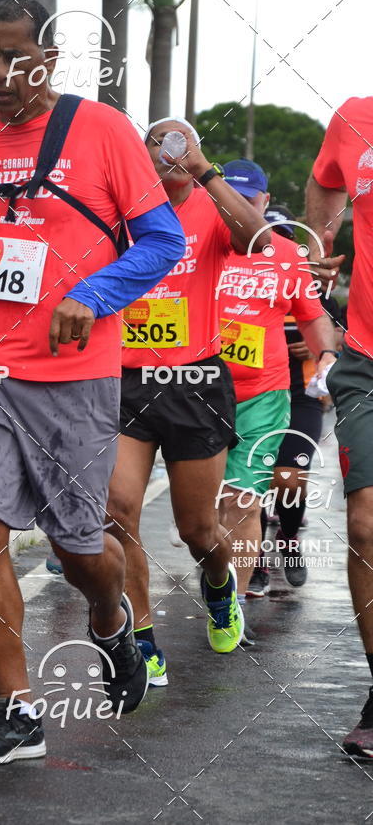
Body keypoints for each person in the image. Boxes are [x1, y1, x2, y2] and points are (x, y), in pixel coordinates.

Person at [0, 0, 186, 765]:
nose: (1, 75)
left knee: (80, 551)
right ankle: (18, 712)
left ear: (52, 55)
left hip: (75, 375)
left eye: (17, 57)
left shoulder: (101, 131)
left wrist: (91, 293)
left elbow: (161, 240)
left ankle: (111, 617)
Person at [105, 118, 270, 686]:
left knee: (198, 529)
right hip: (124, 381)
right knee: (118, 510)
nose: (169, 151)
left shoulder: (209, 204)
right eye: (157, 142)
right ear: (140, 154)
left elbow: (261, 239)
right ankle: (142, 641)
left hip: (195, 383)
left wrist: (205, 170)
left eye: (181, 142)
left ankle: (220, 587)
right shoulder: (119, 210)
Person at [217, 161, 338, 632]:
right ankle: (220, 578)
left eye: (251, 200)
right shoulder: (199, 243)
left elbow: (316, 315)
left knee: (261, 491)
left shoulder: (289, 256)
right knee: (202, 513)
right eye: (234, 199)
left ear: (265, 203)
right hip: (200, 389)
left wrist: (324, 353)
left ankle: (239, 596)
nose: (244, 209)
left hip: (276, 389)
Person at [305, 95, 373, 757]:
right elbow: (325, 179)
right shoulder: (355, 117)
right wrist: (320, 242)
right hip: (367, 362)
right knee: (364, 524)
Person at [253, 205, 343, 592]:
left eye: (284, 242)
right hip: (254, 392)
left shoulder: (317, 292)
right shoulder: (245, 282)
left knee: (290, 478)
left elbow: (340, 337)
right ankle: (254, 558)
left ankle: (289, 542)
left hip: (302, 394)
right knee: (254, 479)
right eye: (270, 242)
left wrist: (319, 346)